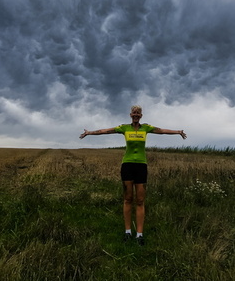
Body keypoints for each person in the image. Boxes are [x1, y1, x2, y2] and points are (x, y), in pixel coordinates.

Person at [79, 105, 187, 246]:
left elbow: (161, 131)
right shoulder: (125, 128)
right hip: (127, 165)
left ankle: (139, 235)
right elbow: (106, 131)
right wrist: (90, 133)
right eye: (134, 113)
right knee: (128, 198)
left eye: (138, 113)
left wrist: (178, 131)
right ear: (130, 115)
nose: (136, 115)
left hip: (141, 166)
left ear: (141, 116)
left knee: (140, 200)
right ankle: (128, 232)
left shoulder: (146, 128)